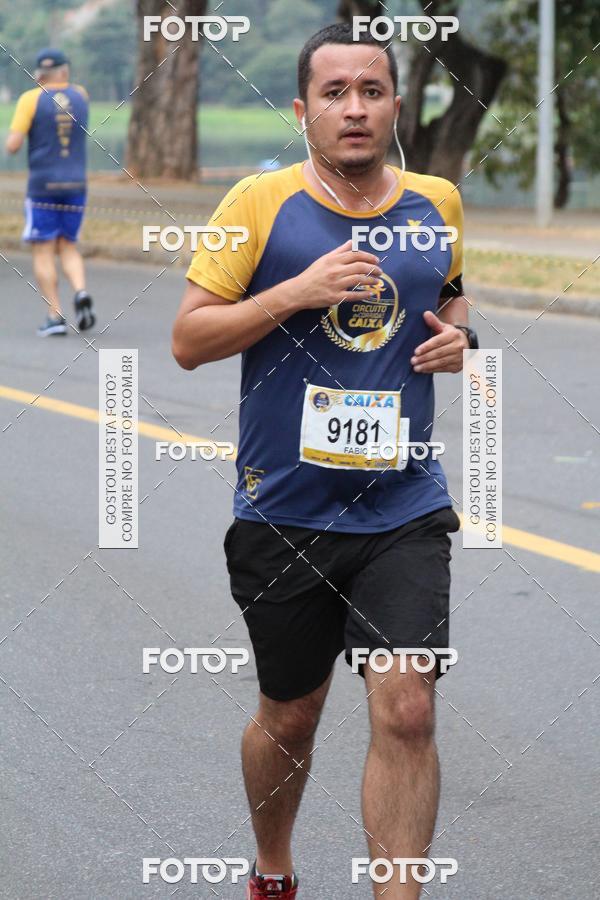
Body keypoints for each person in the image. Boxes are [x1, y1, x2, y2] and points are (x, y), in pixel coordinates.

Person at [173, 23, 477, 900]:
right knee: (292, 714)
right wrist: (295, 291)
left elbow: (449, 302)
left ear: (394, 107)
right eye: (336, 94)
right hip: (285, 511)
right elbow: (190, 339)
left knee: (408, 708)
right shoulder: (259, 204)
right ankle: (273, 869)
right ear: (303, 111)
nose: (355, 109)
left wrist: (460, 341)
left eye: (372, 91)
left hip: (403, 504)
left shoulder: (437, 204)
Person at [5, 48, 95, 336]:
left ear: (39, 75)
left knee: (43, 250)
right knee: (68, 245)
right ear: (65, 71)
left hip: (43, 186)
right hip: (76, 184)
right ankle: (81, 292)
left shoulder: (30, 99)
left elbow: (13, 145)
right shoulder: (81, 95)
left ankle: (55, 315)